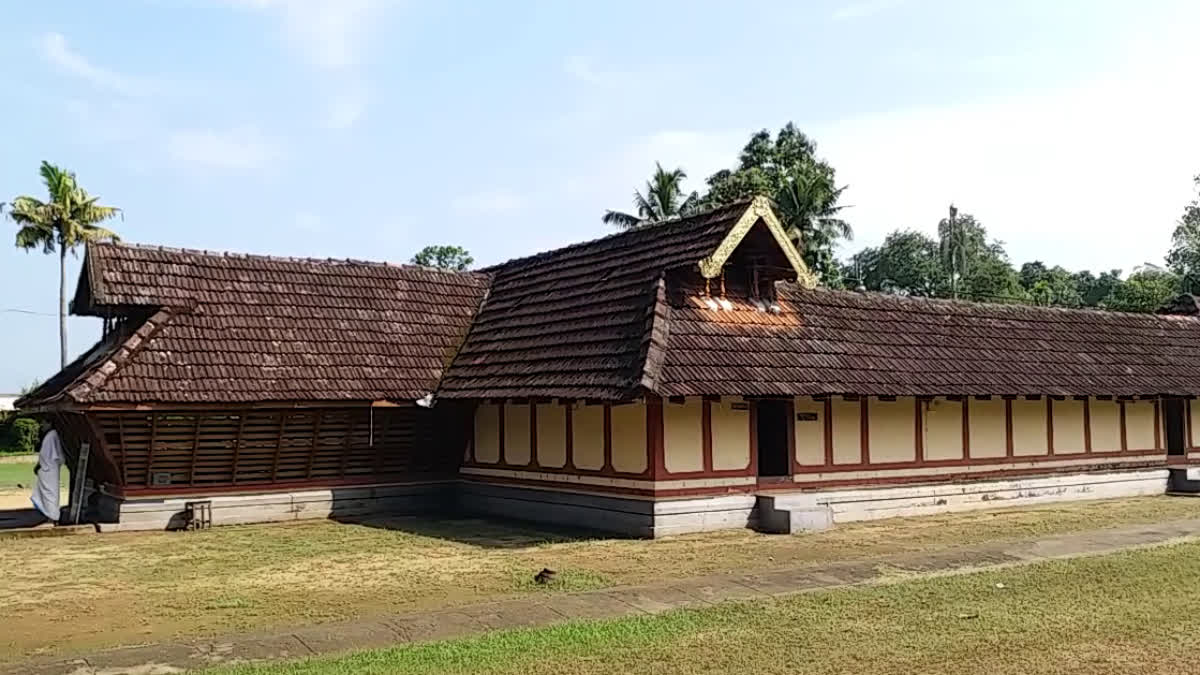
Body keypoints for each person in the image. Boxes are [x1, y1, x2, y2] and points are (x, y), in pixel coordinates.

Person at [31, 421, 64, 523]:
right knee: (48, 494)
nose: (42, 425)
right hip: (48, 470)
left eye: (45, 423)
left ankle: (53, 517)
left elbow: (47, 455)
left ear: (50, 424)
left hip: (49, 470)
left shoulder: (51, 436)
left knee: (50, 494)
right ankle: (49, 516)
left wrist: (39, 466)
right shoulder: (50, 436)